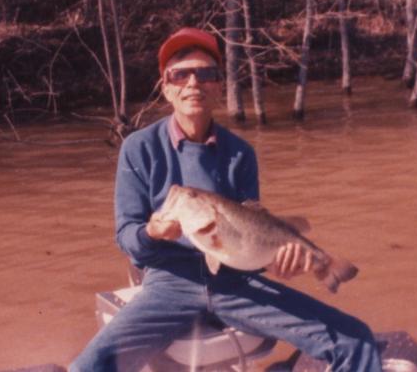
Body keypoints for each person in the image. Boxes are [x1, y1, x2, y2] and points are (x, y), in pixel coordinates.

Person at [69, 27, 382, 372]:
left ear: (219, 86)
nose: (193, 82)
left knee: (357, 341)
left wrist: (278, 263)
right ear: (166, 86)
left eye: (205, 74)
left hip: (235, 283)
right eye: (181, 74)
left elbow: (251, 237)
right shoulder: (138, 148)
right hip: (169, 284)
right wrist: (152, 233)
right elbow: (127, 237)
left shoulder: (240, 154)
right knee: (89, 367)